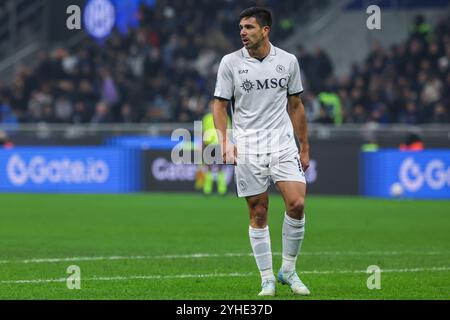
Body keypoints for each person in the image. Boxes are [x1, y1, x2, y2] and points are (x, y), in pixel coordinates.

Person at [213, 7, 311, 296]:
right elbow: (219, 104)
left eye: (249, 27)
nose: (242, 32)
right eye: (241, 27)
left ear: (265, 30)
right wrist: (225, 141)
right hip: (248, 147)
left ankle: (289, 270)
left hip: (282, 144)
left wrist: (304, 146)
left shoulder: (288, 61)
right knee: (258, 211)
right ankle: (267, 278)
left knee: (297, 204)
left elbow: (296, 106)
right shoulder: (230, 63)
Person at [195, 99, 231, 195]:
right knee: (209, 167)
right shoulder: (207, 118)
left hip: (220, 145)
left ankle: (221, 190)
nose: (213, 107)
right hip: (209, 145)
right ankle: (207, 189)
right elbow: (203, 133)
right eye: (212, 106)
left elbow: (228, 132)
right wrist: (202, 146)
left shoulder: (224, 116)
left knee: (220, 167)